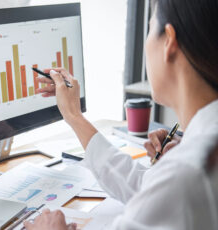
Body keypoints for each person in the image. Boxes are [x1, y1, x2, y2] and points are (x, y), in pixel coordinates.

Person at [24, 0, 218, 229]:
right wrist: (74, 116)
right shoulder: (194, 157)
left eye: (149, 28)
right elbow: (148, 189)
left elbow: (169, 189)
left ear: (169, 42)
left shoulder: (186, 173)